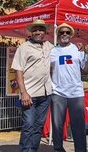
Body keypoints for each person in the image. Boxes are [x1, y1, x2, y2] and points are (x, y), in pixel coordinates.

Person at [11, 19, 54, 152]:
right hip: (29, 94)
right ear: (31, 32)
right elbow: (18, 70)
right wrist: (23, 92)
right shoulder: (24, 48)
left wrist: (83, 51)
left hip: (46, 94)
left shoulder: (50, 46)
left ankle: (33, 149)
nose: (38, 32)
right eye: (35, 29)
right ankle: (25, 150)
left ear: (45, 32)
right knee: (28, 125)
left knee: (39, 125)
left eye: (41, 29)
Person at [50, 23, 88, 152]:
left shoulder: (77, 50)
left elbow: (85, 70)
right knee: (57, 126)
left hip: (76, 93)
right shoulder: (52, 51)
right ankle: (58, 149)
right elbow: (47, 70)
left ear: (71, 35)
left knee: (78, 126)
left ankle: (80, 150)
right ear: (57, 35)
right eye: (62, 32)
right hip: (57, 92)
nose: (64, 34)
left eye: (67, 32)